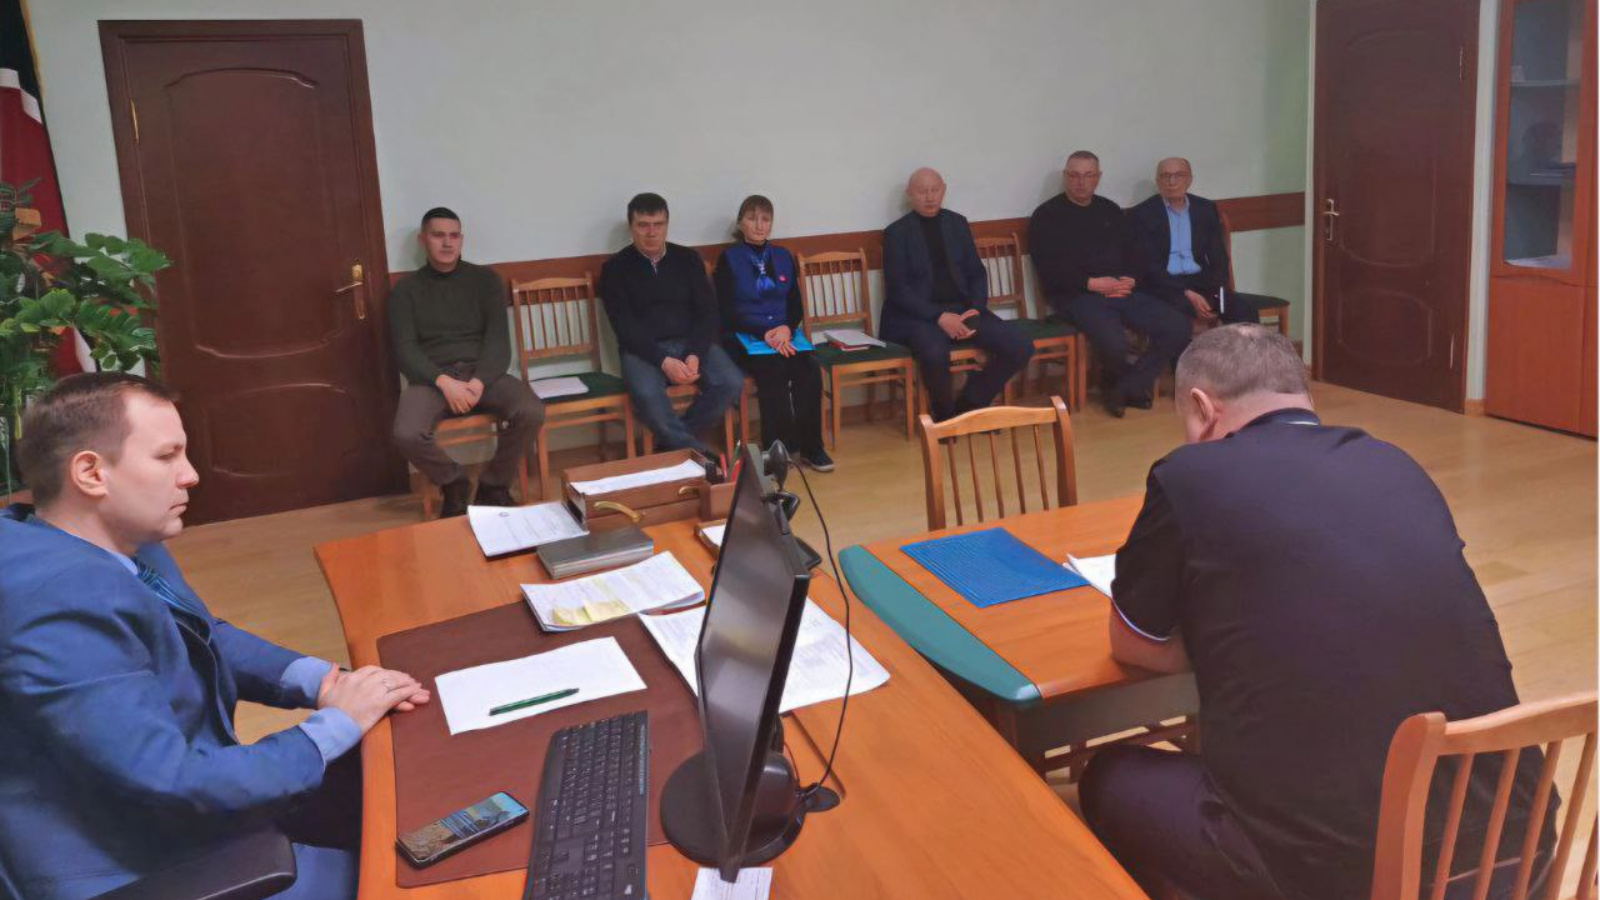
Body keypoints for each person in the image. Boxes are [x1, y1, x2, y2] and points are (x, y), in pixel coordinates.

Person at [1078, 325, 1553, 900]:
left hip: (1347, 874)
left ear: (1202, 409)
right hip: (1521, 847)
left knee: (1107, 777)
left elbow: (1132, 642)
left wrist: (1227, 642)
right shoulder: (1394, 462)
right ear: (1301, 395)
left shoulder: (1189, 475)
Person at [0, 373, 431, 900]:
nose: (191, 475)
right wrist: (335, 724)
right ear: (91, 473)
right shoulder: (57, 606)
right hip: (147, 866)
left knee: (404, 788)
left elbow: (201, 634)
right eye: (167, 457)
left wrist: (324, 682)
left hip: (185, 812)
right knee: (417, 876)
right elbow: (173, 780)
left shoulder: (111, 541)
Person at [389, 207, 544, 518]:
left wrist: (478, 382)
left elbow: (499, 341)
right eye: (438, 235)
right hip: (433, 379)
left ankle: (494, 486)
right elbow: (405, 350)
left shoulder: (485, 280)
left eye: (454, 235)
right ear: (423, 240)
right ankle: (453, 482)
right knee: (406, 433)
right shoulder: (405, 291)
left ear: (461, 239)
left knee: (531, 411)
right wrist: (444, 382)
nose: (447, 243)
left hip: (481, 373)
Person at [1029, 150, 1190, 418]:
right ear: (1066, 176)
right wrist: (1091, 283)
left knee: (1177, 326)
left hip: (1120, 291)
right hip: (1077, 296)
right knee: (1114, 342)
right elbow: (1049, 268)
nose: (1081, 182)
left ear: (1098, 177)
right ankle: (1123, 384)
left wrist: (1130, 279)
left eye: (1088, 175)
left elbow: (1135, 254)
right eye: (1075, 175)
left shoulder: (1110, 210)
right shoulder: (1046, 216)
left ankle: (1124, 387)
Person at [882, 168, 1033, 421]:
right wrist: (939, 316)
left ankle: (970, 403)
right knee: (934, 353)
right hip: (917, 315)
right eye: (922, 191)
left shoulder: (957, 224)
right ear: (910, 194)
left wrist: (975, 309)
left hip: (963, 309)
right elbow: (899, 289)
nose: (930, 197)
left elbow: (976, 272)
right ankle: (944, 418)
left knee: (1019, 346)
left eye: (935, 190)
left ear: (944, 190)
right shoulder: (897, 233)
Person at [600, 193, 742, 457]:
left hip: (691, 342)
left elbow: (707, 312)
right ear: (631, 227)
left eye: (658, 224)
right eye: (643, 225)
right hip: (643, 350)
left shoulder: (688, 259)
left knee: (731, 382)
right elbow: (624, 326)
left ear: (667, 224)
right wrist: (663, 361)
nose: (651, 232)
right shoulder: (614, 269)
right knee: (647, 395)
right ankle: (697, 453)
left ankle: (670, 445)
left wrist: (695, 353)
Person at [713, 195, 833, 471]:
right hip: (745, 336)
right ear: (740, 223)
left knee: (809, 370)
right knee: (773, 372)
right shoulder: (729, 259)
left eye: (765, 219)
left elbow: (795, 304)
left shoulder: (783, 256)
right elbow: (727, 310)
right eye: (752, 218)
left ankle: (812, 448)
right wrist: (764, 332)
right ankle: (777, 452)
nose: (759, 225)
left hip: (783, 334)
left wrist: (786, 328)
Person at [1129, 157, 1261, 326]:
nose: (1171, 181)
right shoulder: (1141, 215)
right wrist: (1186, 293)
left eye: (1179, 175)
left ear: (1190, 180)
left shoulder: (1205, 209)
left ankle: (1236, 345)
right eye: (1165, 176)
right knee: (1179, 317)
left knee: (1245, 312)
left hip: (1203, 284)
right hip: (1164, 287)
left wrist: (1217, 291)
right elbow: (1149, 266)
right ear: (1158, 181)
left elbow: (1218, 257)